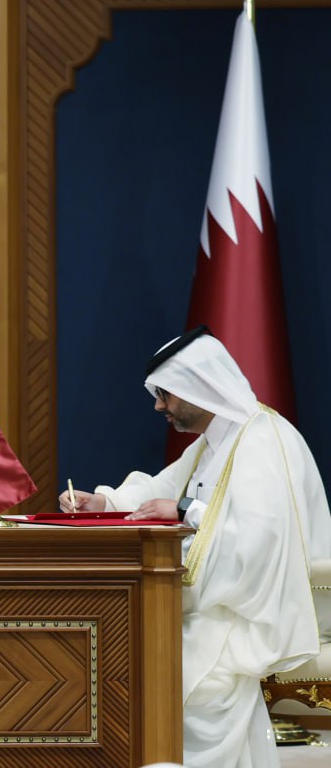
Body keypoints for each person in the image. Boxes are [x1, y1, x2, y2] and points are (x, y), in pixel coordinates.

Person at [64, 326, 331, 768]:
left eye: (166, 394)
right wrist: (105, 502)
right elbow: (163, 488)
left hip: (249, 612)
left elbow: (261, 543)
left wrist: (187, 509)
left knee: (172, 673)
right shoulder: (217, 441)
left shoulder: (263, 439)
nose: (159, 406)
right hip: (212, 605)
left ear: (198, 387)